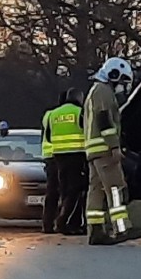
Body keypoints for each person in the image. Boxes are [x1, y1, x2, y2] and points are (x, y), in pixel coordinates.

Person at [84, 57, 134, 245]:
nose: (121, 86)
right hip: (104, 150)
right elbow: (104, 119)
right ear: (113, 75)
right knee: (115, 189)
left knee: (95, 191)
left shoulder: (94, 91)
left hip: (93, 151)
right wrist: (114, 146)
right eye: (121, 81)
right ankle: (122, 228)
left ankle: (96, 231)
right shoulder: (103, 92)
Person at [49, 88, 88, 235]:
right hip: (77, 154)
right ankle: (63, 221)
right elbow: (88, 131)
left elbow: (48, 135)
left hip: (58, 156)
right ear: (79, 98)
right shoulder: (79, 112)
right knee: (76, 190)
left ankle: (68, 223)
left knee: (65, 190)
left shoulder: (54, 113)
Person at [40, 90, 68, 234]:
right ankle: (62, 222)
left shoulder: (49, 115)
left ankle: (47, 224)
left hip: (49, 157)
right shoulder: (72, 113)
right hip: (64, 156)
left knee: (51, 193)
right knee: (67, 191)